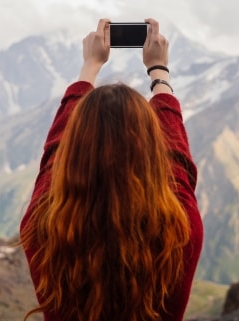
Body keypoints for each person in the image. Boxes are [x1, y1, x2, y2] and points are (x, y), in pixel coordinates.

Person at [19, 18, 203, 321]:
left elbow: (52, 154)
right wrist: (159, 72)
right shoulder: (182, 230)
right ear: (153, 151)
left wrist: (89, 67)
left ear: (73, 150)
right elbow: (180, 162)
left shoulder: (41, 225)